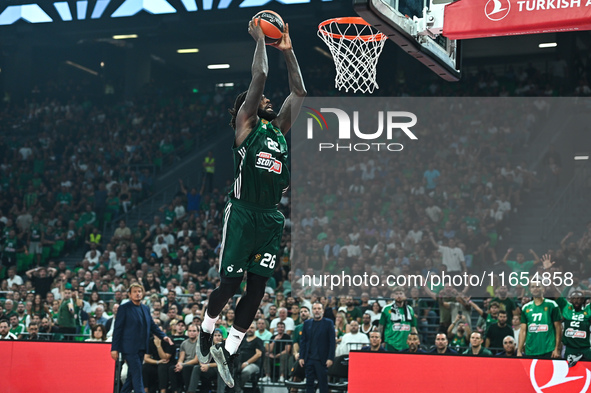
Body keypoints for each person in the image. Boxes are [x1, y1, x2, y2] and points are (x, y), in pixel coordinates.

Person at [198, 15, 306, 389]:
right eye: (261, 98)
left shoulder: (277, 130)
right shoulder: (246, 125)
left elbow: (300, 93)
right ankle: (206, 328)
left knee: (258, 289)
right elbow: (258, 75)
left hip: (270, 219)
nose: (267, 98)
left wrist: (289, 52)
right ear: (246, 107)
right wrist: (261, 38)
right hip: (242, 213)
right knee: (229, 286)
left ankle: (228, 350)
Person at [111, 283, 173, 393]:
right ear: (129, 294)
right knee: (137, 374)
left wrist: (163, 336)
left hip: (142, 347)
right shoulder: (124, 308)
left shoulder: (145, 308)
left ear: (143, 293)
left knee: (131, 376)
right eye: (134, 291)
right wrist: (114, 348)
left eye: (139, 291)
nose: (137, 293)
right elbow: (117, 329)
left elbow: (153, 326)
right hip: (129, 348)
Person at [518, 279, 562, 358]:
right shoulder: (525, 308)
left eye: (538, 286)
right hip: (530, 350)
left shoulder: (552, 305)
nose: (535, 288)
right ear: (530, 290)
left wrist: (556, 349)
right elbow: (523, 330)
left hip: (548, 349)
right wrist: (519, 350)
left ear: (543, 289)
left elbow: (558, 328)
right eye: (533, 287)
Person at [298, 302, 335, 393]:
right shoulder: (307, 323)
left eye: (319, 309)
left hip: (322, 360)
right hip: (309, 359)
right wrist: (301, 357)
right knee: (309, 384)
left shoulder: (328, 323)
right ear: (312, 311)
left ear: (323, 311)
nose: (317, 311)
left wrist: (330, 358)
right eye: (315, 309)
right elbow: (303, 341)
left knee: (323, 384)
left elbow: (332, 342)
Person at [379, 287, 417, 352]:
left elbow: (413, 327)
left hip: (406, 345)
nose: (398, 296)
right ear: (393, 296)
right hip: (391, 343)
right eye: (396, 294)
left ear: (404, 295)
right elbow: (381, 326)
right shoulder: (386, 309)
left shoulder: (410, 309)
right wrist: (380, 341)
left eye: (400, 293)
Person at [142, 320, 175, 393]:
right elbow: (146, 358)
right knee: (145, 367)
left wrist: (158, 345)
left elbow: (165, 358)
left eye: (159, 332)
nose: (157, 334)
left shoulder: (169, 340)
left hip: (169, 363)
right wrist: (157, 362)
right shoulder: (150, 341)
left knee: (162, 367)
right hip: (157, 362)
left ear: (164, 331)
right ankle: (145, 390)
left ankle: (162, 391)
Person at [170, 323, 199, 393]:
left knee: (186, 368)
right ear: (187, 332)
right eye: (190, 331)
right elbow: (181, 357)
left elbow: (196, 360)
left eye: (194, 331)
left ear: (198, 332)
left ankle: (188, 390)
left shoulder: (200, 343)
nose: (192, 333)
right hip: (185, 364)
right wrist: (179, 364)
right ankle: (176, 390)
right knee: (172, 368)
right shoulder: (184, 343)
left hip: (195, 365)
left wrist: (182, 365)